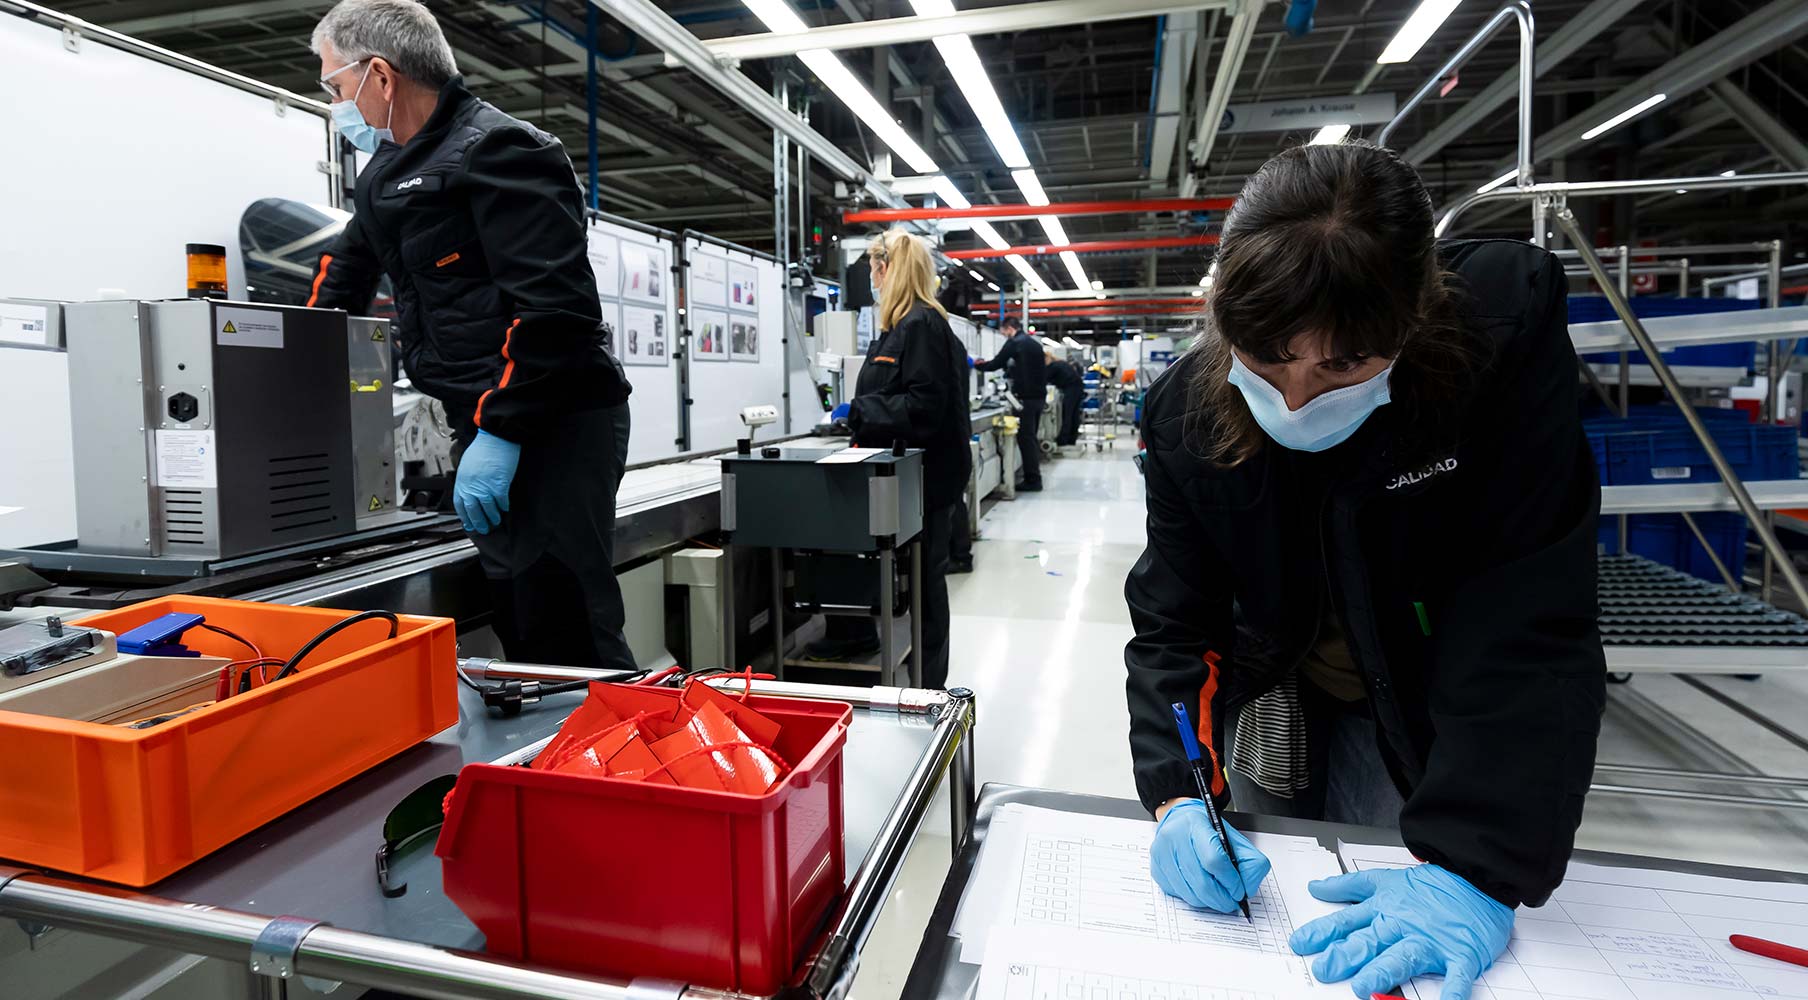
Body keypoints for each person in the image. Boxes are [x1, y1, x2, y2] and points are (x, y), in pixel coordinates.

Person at [1125, 141, 1604, 1000]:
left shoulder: (1496, 348)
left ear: (1414, 321)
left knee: (1412, 887)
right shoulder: (1187, 416)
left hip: (1430, 686)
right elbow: (1176, 617)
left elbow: (1525, 616)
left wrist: (1477, 864)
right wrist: (1178, 791)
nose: (1298, 397)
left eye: (1343, 364)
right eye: (1268, 355)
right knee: (1273, 874)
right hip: (1283, 675)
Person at [305, 0, 635, 671]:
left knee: (566, 623)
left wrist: (504, 431)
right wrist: (291, 350)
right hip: (481, 419)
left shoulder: (503, 150)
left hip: (552, 417)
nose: (338, 106)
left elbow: (556, 312)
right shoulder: (383, 177)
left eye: (336, 87)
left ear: (381, 76)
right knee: (523, 615)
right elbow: (343, 274)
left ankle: (621, 763)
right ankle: (559, 768)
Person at [848, 229, 972, 689]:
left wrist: (859, 411)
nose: (872, 280)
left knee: (925, 585)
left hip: (927, 482)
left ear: (888, 269)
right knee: (918, 582)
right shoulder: (904, 326)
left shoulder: (920, 325)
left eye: (874, 270)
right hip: (913, 480)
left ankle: (929, 686)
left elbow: (923, 407)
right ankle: (884, 652)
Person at [975, 317, 1046, 491]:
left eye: (1003, 332)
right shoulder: (1034, 344)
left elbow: (995, 364)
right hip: (1038, 398)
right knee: (1031, 438)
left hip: (1024, 400)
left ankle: (1033, 481)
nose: (1004, 336)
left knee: (1025, 439)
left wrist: (976, 365)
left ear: (1008, 328)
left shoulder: (1014, 343)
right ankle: (1033, 476)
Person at [1046, 352, 1085, 446]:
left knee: (1067, 414)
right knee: (1074, 414)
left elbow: (1043, 379)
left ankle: (1063, 440)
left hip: (1071, 389)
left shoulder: (1053, 366)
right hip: (1078, 388)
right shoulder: (1061, 363)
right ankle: (1072, 438)